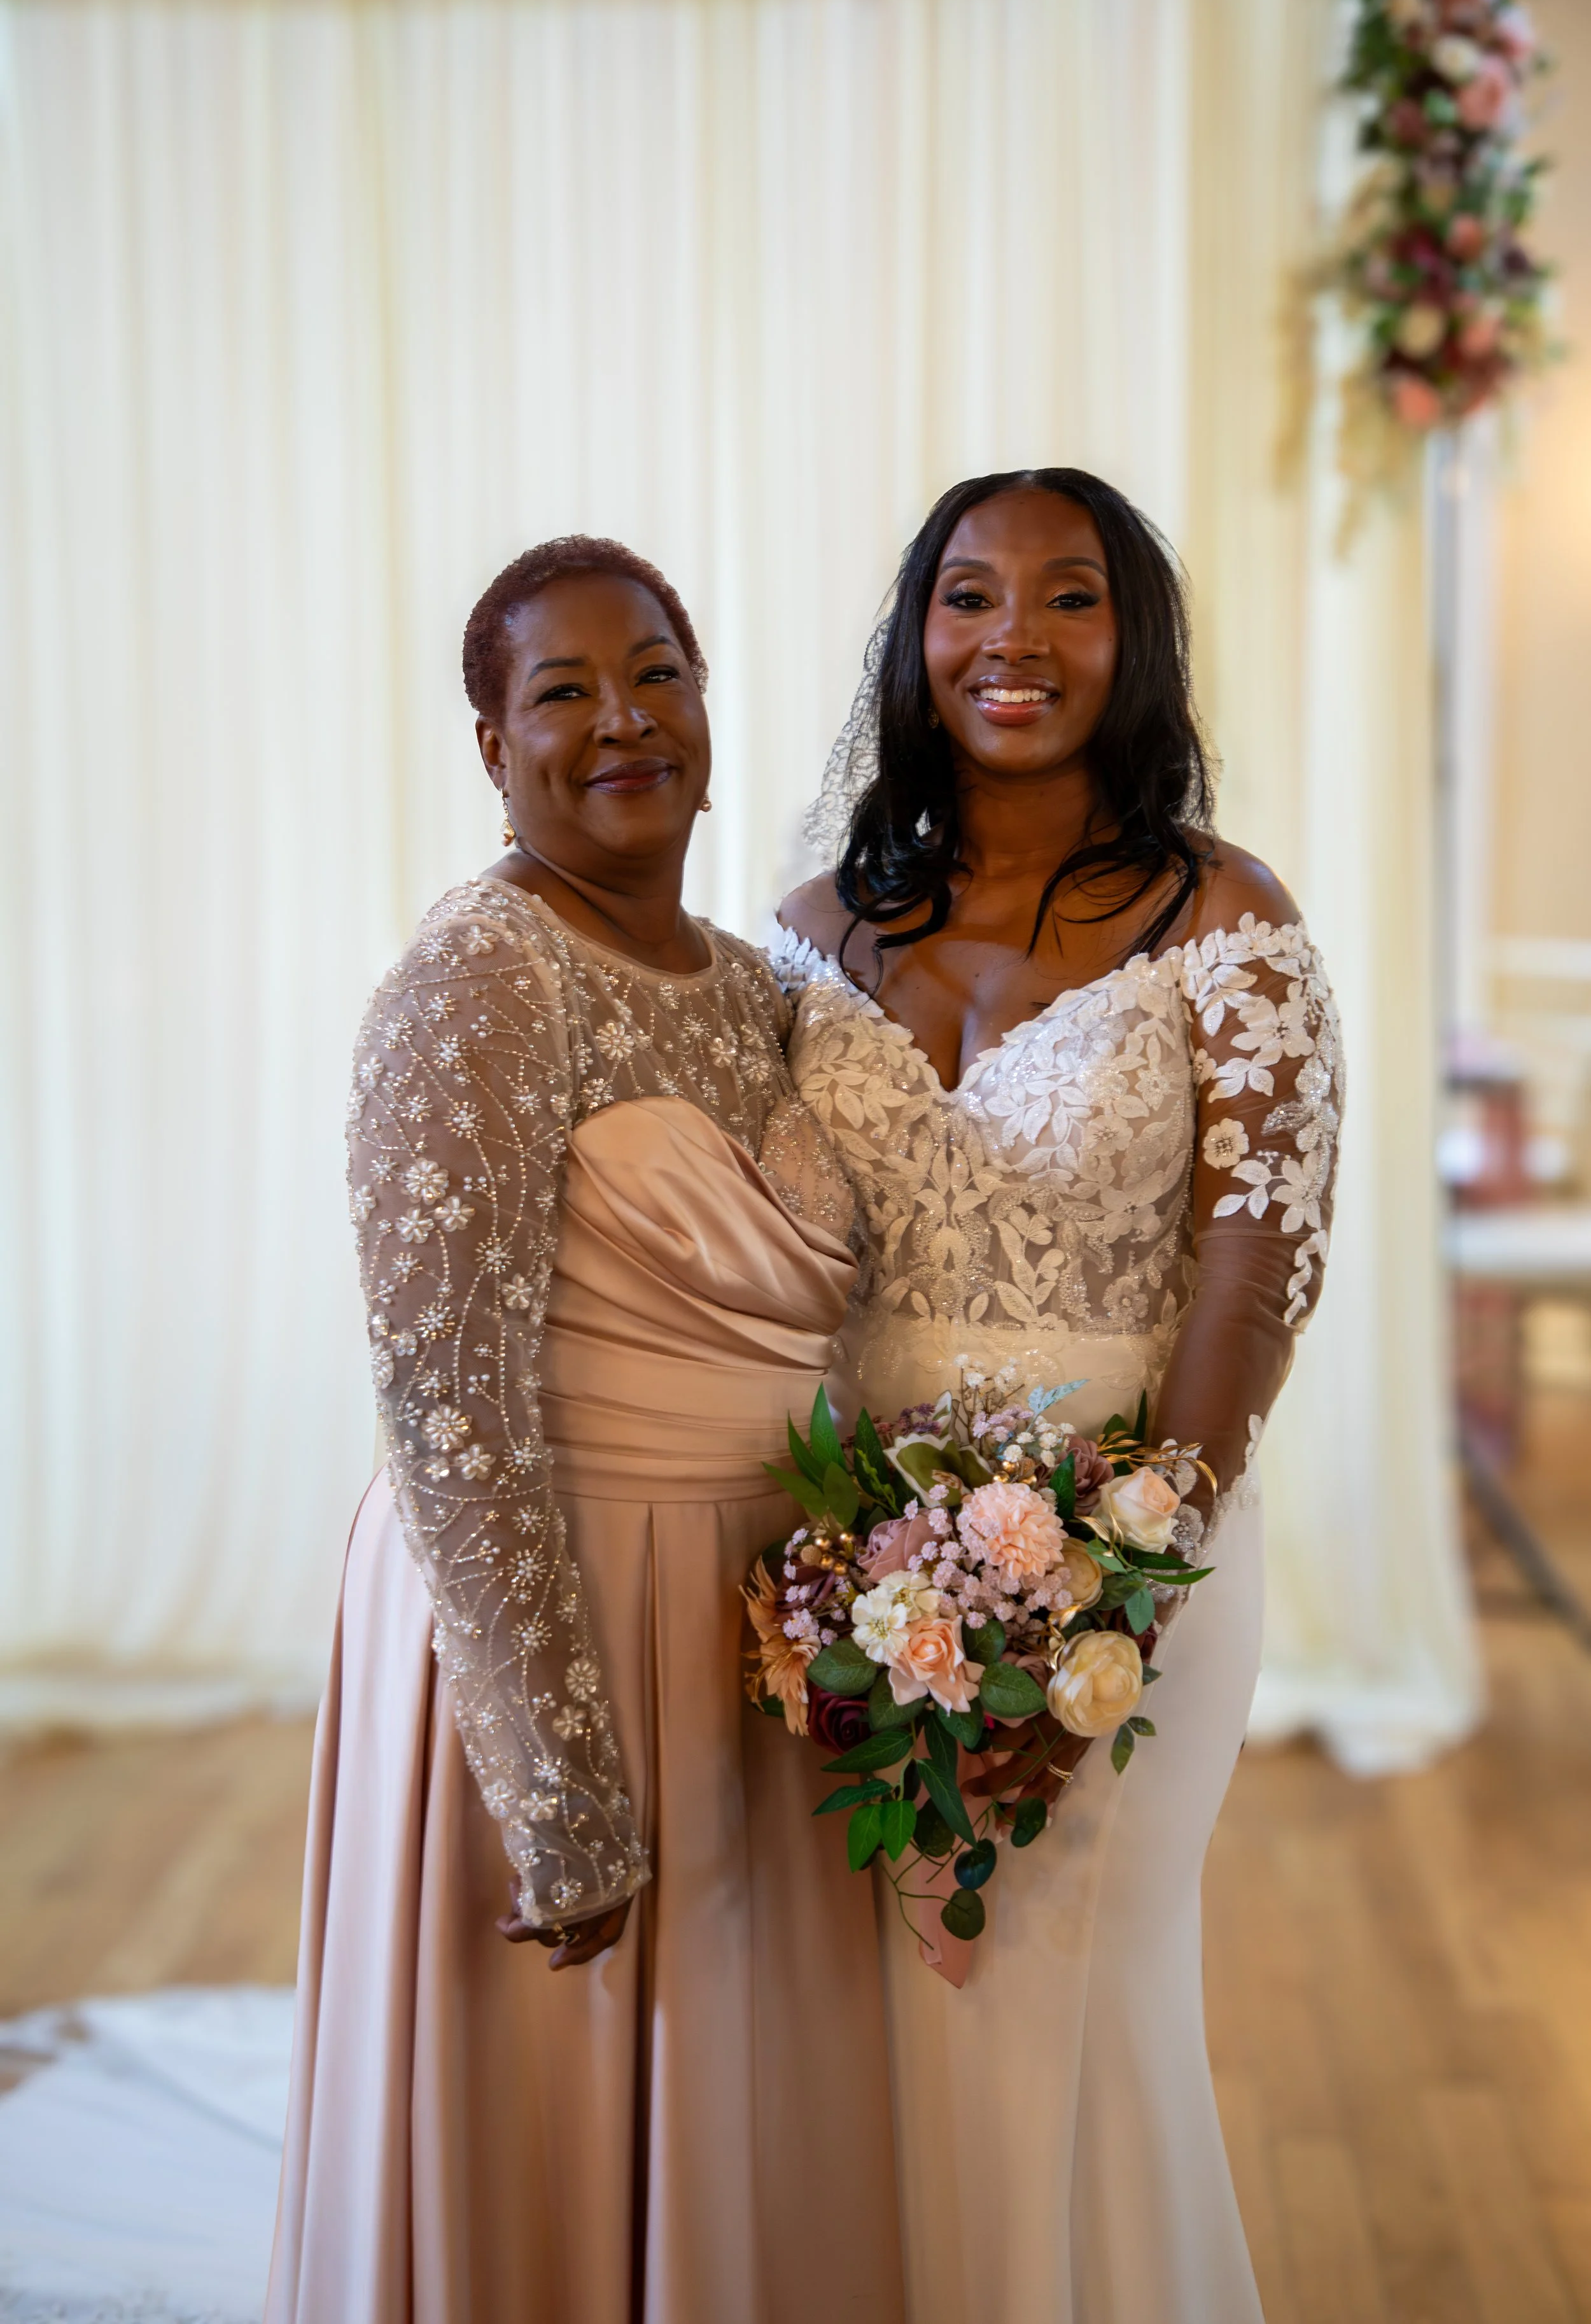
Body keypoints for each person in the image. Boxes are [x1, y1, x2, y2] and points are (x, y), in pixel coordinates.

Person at [267, 538, 904, 2324]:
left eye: (658, 674)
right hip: (541, 1617)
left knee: (740, 2119)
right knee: (552, 2125)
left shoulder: (756, 978)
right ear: (492, 745)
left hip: (744, 1620)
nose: (622, 720)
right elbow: (445, 1400)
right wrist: (554, 1785)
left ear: (707, 700)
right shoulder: (477, 980)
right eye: (562, 691)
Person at [774, 468, 1343, 2324]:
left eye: (1068, 595)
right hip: (852, 1559)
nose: (1012, 634)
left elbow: (1260, 1256)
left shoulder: (1222, 916)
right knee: (863, 2008)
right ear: (915, 638)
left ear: (1134, 638)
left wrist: (1129, 1547)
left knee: (1077, 1989)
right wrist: (790, 1554)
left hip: (1144, 1540)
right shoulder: (810, 930)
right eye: (967, 594)